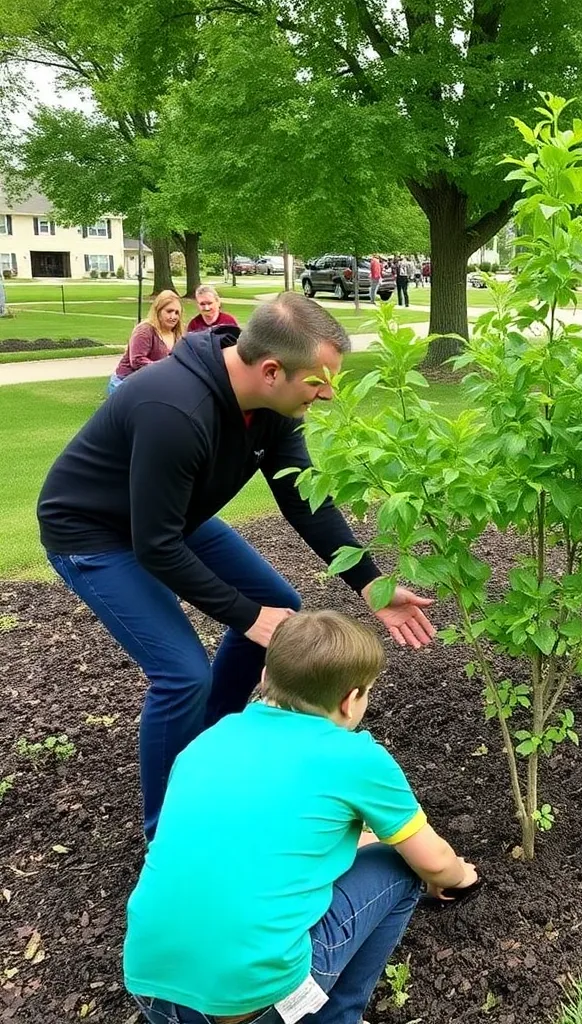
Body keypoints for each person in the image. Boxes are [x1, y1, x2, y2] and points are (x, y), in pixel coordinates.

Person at [38, 292, 436, 840]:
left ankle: (208, 752)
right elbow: (155, 547)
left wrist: (371, 584)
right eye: (319, 383)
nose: (328, 395)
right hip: (93, 534)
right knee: (182, 675)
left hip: (169, 519)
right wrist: (247, 616)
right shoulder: (173, 408)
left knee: (280, 610)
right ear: (272, 370)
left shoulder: (272, 408)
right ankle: (170, 834)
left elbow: (303, 498)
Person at [124, 609, 478, 1024]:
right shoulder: (354, 757)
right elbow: (433, 861)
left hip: (152, 989)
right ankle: (336, 1017)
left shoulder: (209, 742)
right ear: (351, 700)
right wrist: (459, 878)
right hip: (258, 1003)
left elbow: (259, 839)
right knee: (401, 866)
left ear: (263, 678)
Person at [109, 290, 183, 395]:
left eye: (177, 313)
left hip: (153, 382)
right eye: (169, 311)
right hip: (125, 382)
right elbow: (137, 360)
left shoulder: (177, 334)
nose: (173, 316)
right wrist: (165, 370)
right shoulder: (145, 330)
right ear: (158, 310)